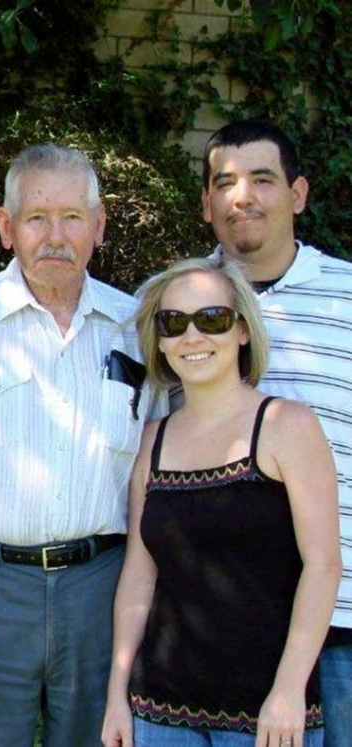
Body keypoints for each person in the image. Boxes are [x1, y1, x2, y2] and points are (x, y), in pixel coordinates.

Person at [0, 143, 159, 745]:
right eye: (37, 218)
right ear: (5, 227)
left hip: (103, 590)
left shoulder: (138, 327)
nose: (55, 235)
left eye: (72, 217)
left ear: (99, 227)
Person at [102, 256, 341, 747]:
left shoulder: (286, 427)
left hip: (267, 714)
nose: (193, 337)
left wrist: (290, 690)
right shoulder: (152, 441)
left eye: (211, 319)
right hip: (159, 713)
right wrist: (116, 696)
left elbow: (323, 567)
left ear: (243, 332)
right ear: (160, 340)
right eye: (174, 323)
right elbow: (138, 578)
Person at [199, 119, 352, 747]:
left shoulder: (347, 296)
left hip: (343, 623)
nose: (243, 197)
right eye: (224, 182)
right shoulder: (176, 308)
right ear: (207, 203)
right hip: (216, 620)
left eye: (262, 179)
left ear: (298, 193)